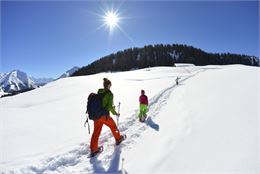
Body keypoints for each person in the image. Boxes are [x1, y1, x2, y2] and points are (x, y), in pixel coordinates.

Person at [90, 78, 125, 157]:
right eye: (110, 85)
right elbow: (109, 106)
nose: (110, 86)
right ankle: (118, 138)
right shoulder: (110, 94)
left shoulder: (99, 91)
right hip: (104, 116)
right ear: (108, 85)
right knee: (113, 126)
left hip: (96, 116)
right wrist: (116, 113)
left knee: (96, 131)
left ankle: (94, 149)